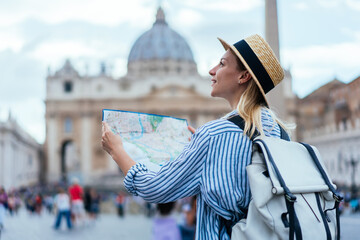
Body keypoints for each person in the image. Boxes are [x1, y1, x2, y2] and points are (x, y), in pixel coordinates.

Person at [102, 34, 292, 239]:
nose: (212, 70)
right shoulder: (280, 131)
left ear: (243, 76)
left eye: (222, 64)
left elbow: (154, 188)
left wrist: (117, 151)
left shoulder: (214, 134)